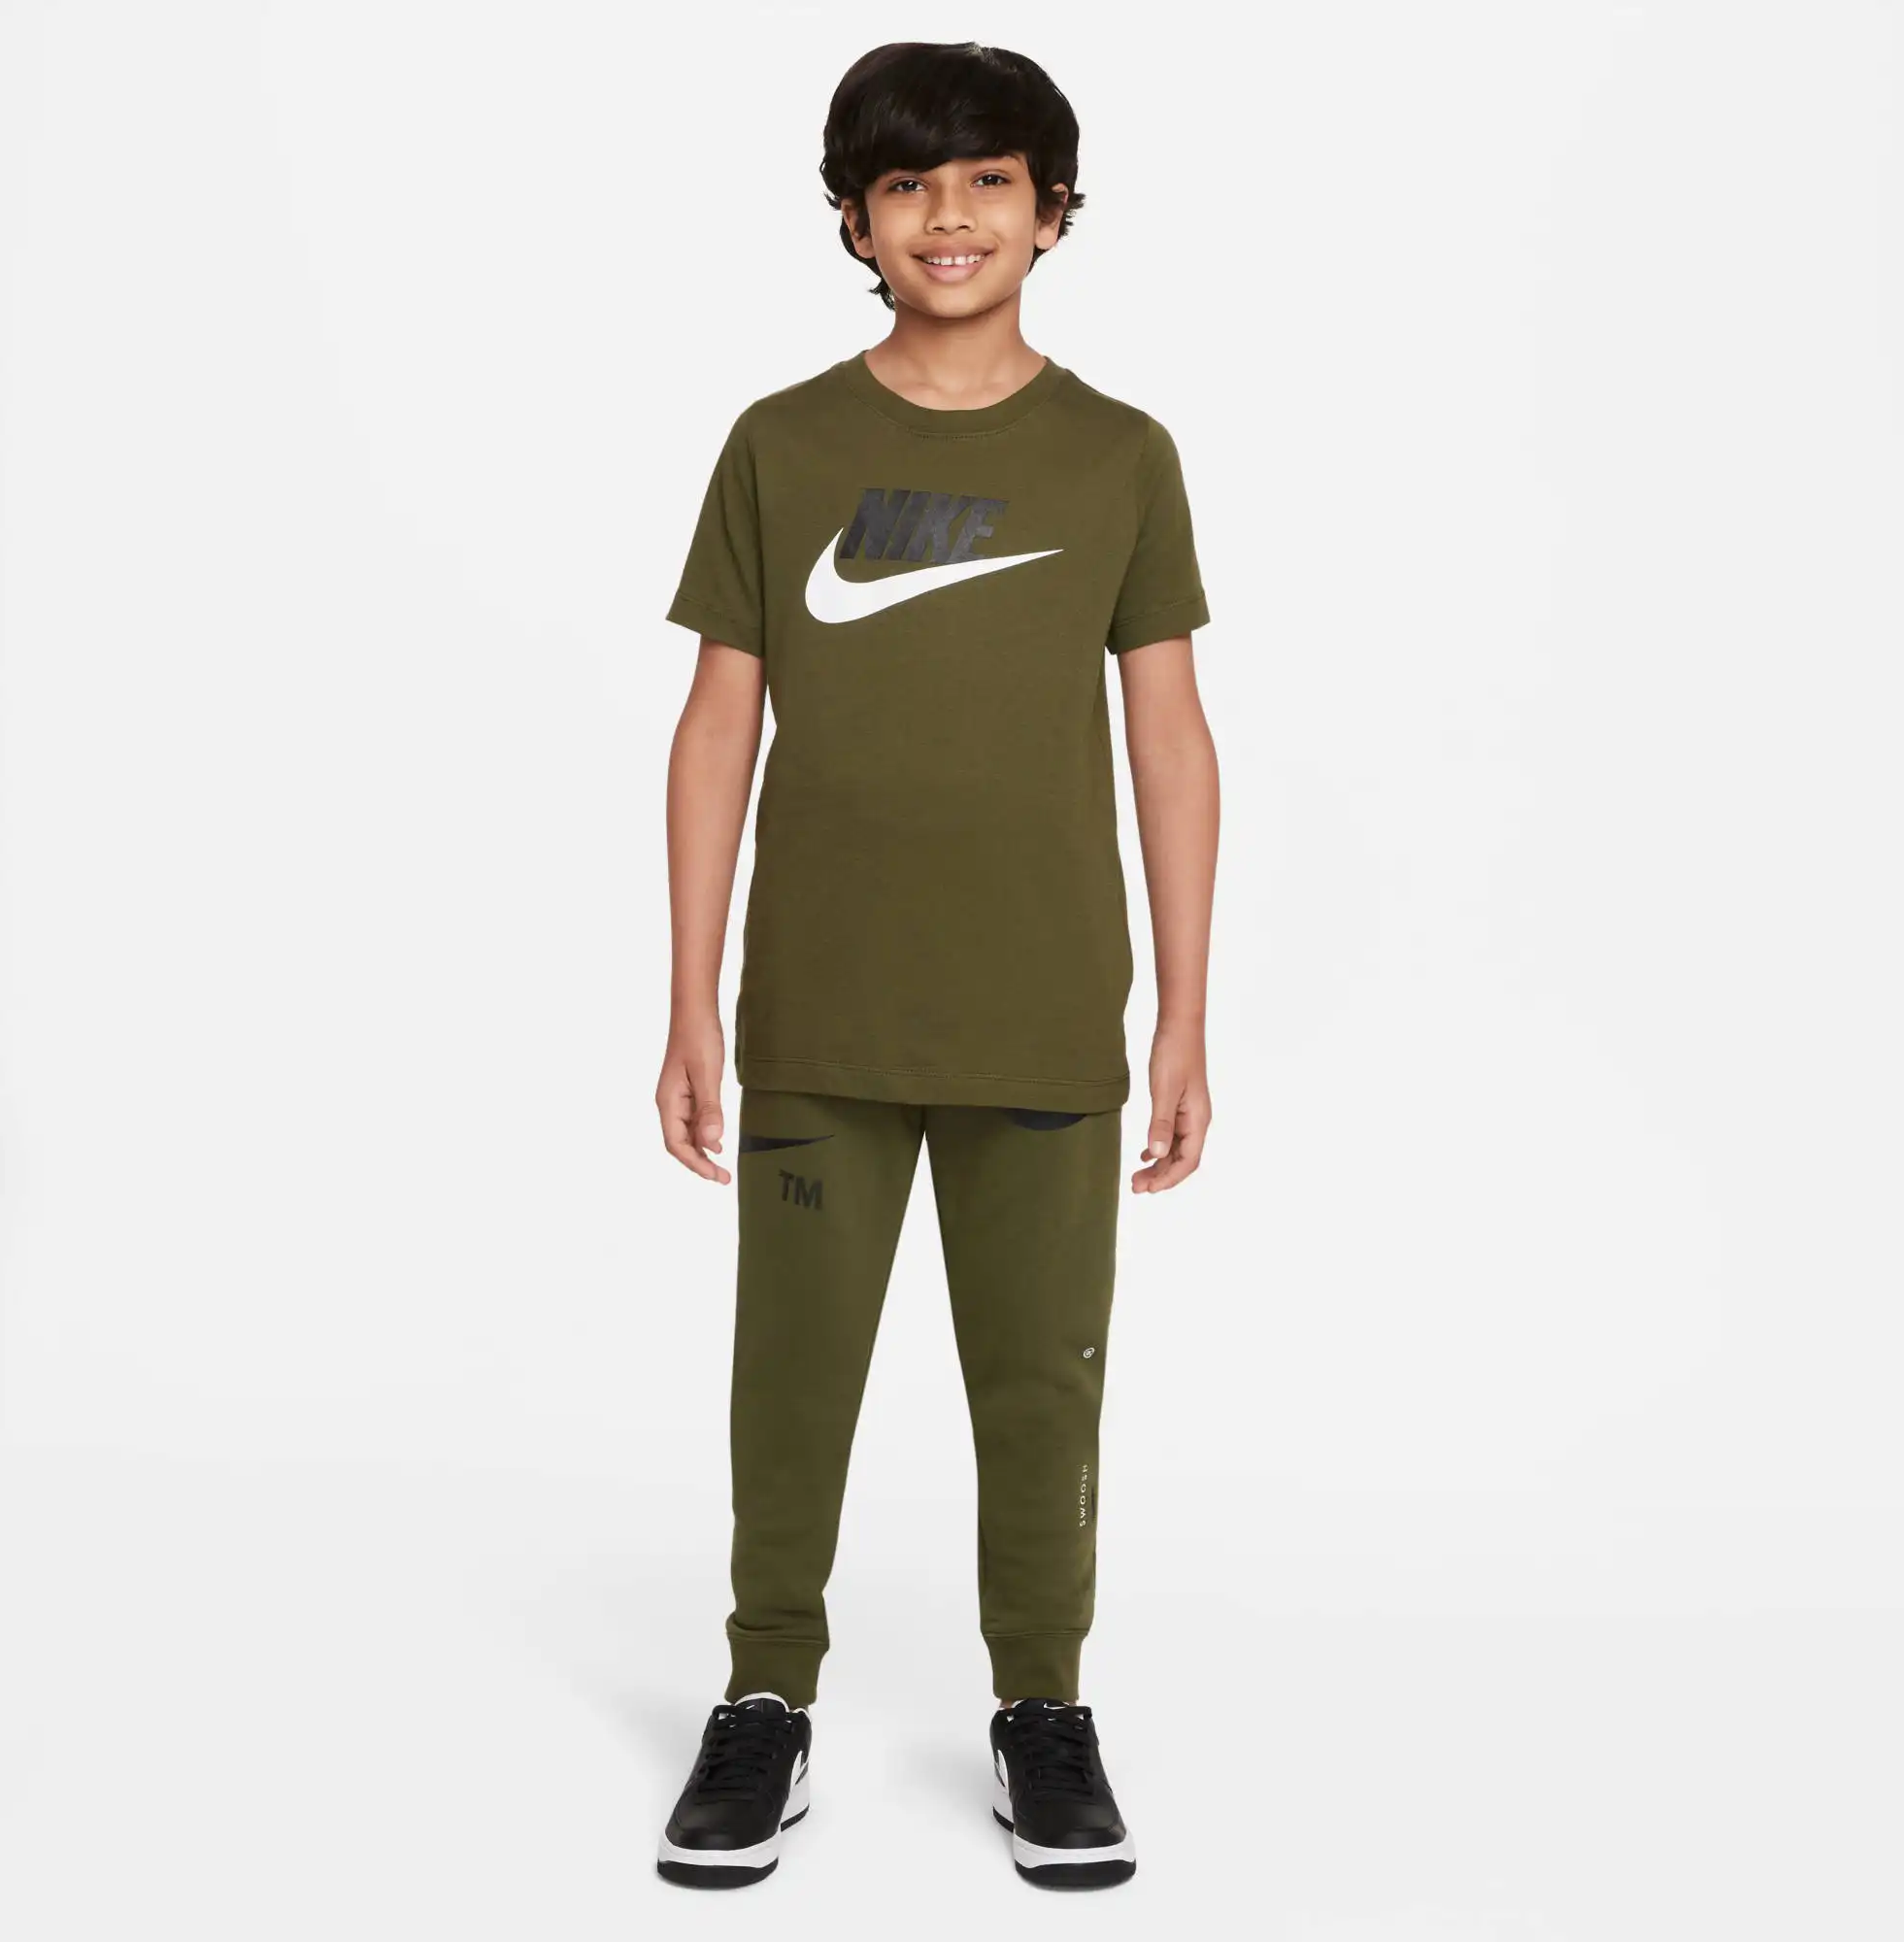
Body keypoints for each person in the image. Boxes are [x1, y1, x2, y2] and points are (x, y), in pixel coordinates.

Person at [651, 40, 1219, 1892]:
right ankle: (765, 1698)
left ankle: (1042, 1707)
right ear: (854, 221)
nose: (948, 215)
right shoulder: (783, 444)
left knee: (1042, 1385)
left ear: (1053, 213)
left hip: (1044, 1013)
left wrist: (1185, 1012)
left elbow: (1168, 739)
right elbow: (718, 726)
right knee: (790, 1377)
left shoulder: (1119, 455)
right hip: (820, 1011)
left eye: (988, 180)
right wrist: (689, 1000)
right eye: (907, 184)